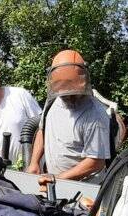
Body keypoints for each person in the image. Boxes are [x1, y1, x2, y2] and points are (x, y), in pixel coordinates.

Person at [26, 49, 114, 181]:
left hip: (84, 188)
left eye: (73, 91)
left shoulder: (95, 115)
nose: (69, 96)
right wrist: (34, 162)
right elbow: (42, 131)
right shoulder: (52, 101)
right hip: (54, 181)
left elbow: (95, 162)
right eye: (64, 92)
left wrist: (58, 179)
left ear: (83, 83)